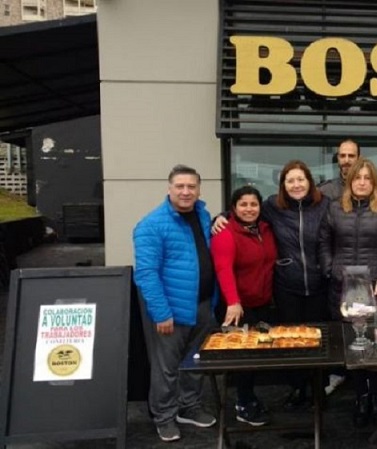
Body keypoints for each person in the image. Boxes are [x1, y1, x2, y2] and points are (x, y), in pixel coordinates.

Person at [213, 161, 333, 407]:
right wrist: (220, 217)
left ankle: (318, 393)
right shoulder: (272, 207)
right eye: (290, 180)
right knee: (289, 344)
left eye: (301, 179)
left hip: (319, 285)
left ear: (310, 182)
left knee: (319, 342)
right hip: (287, 288)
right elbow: (244, 211)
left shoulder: (325, 206)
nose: (296, 185)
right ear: (283, 185)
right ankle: (298, 391)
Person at [133, 164, 218, 442]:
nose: (185, 191)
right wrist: (161, 312)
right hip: (170, 310)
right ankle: (165, 417)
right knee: (166, 368)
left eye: (191, 186)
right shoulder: (150, 225)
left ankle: (189, 406)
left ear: (198, 190)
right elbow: (146, 273)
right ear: (169, 189)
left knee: (194, 362)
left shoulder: (203, 215)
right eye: (180, 186)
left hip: (202, 305)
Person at [319, 158, 377, 427]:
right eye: (358, 177)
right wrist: (330, 269)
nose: (362, 182)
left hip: (375, 287)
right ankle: (360, 395)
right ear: (350, 180)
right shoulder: (334, 208)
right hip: (344, 288)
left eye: (368, 178)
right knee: (353, 345)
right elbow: (323, 242)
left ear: (374, 182)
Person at [210, 185, 277, 426]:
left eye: (253, 204)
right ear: (234, 208)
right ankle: (242, 404)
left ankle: (249, 398)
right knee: (242, 358)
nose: (249, 209)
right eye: (243, 204)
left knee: (257, 354)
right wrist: (233, 302)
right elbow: (223, 269)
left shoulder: (266, 229)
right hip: (236, 308)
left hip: (262, 303)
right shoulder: (225, 232)